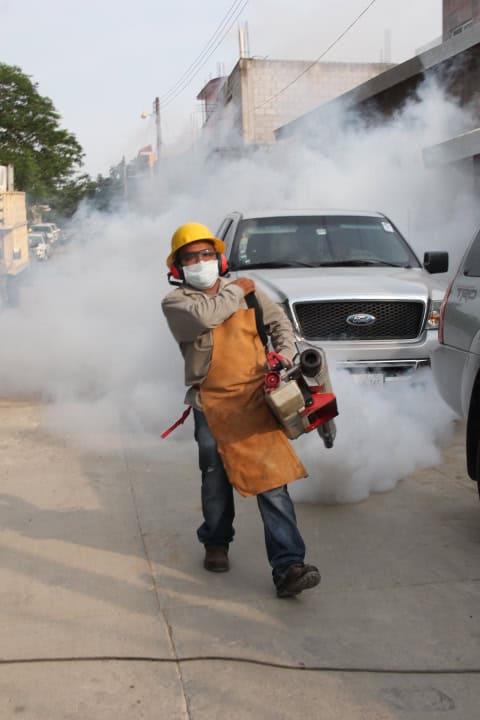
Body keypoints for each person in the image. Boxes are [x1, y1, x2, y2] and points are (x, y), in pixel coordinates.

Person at [162, 222, 320, 598]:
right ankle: (216, 541)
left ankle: (289, 566)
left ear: (219, 259)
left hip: (254, 400)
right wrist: (238, 288)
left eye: (205, 255)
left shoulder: (249, 293)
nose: (200, 262)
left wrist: (283, 351)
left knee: (272, 482)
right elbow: (208, 317)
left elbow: (280, 323)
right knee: (216, 477)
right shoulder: (178, 303)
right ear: (177, 269)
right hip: (211, 405)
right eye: (190, 258)